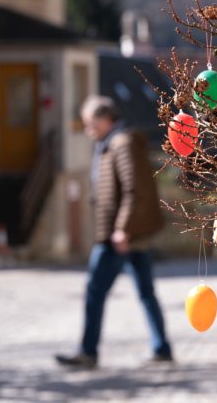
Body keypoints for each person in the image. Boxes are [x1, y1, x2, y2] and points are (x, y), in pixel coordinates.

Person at [55, 95, 172, 368]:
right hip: (129, 233)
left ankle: (88, 352)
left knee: (95, 291)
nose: (87, 130)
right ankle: (162, 347)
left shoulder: (122, 144)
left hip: (119, 235)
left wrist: (121, 230)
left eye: (89, 124)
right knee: (145, 291)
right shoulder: (111, 143)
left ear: (105, 119)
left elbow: (135, 190)